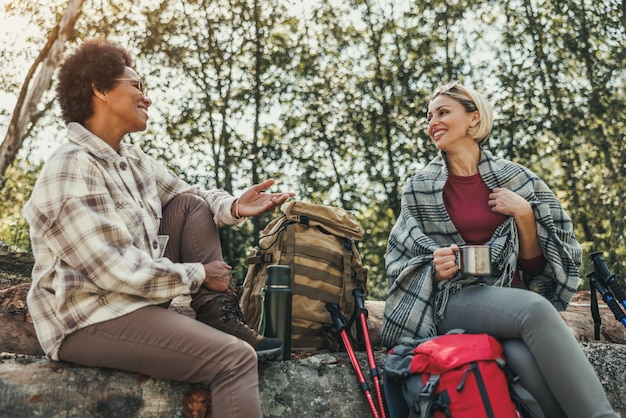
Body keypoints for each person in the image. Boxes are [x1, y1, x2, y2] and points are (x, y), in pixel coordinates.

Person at [23, 37, 295, 418]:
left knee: (189, 205)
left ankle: (218, 314)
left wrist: (234, 205)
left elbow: (189, 195)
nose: (146, 97)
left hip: (132, 302)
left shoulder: (131, 160)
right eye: (135, 86)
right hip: (89, 317)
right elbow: (112, 269)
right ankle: (223, 332)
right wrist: (198, 275)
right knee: (234, 360)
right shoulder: (72, 166)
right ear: (99, 90)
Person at [380, 80, 616, 418]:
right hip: (451, 300)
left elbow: (539, 270)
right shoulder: (419, 189)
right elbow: (400, 258)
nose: (432, 122)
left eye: (443, 112)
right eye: (429, 116)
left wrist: (524, 215)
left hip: (511, 300)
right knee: (533, 310)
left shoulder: (516, 178)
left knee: (521, 357)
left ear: (474, 119)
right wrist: (432, 268)